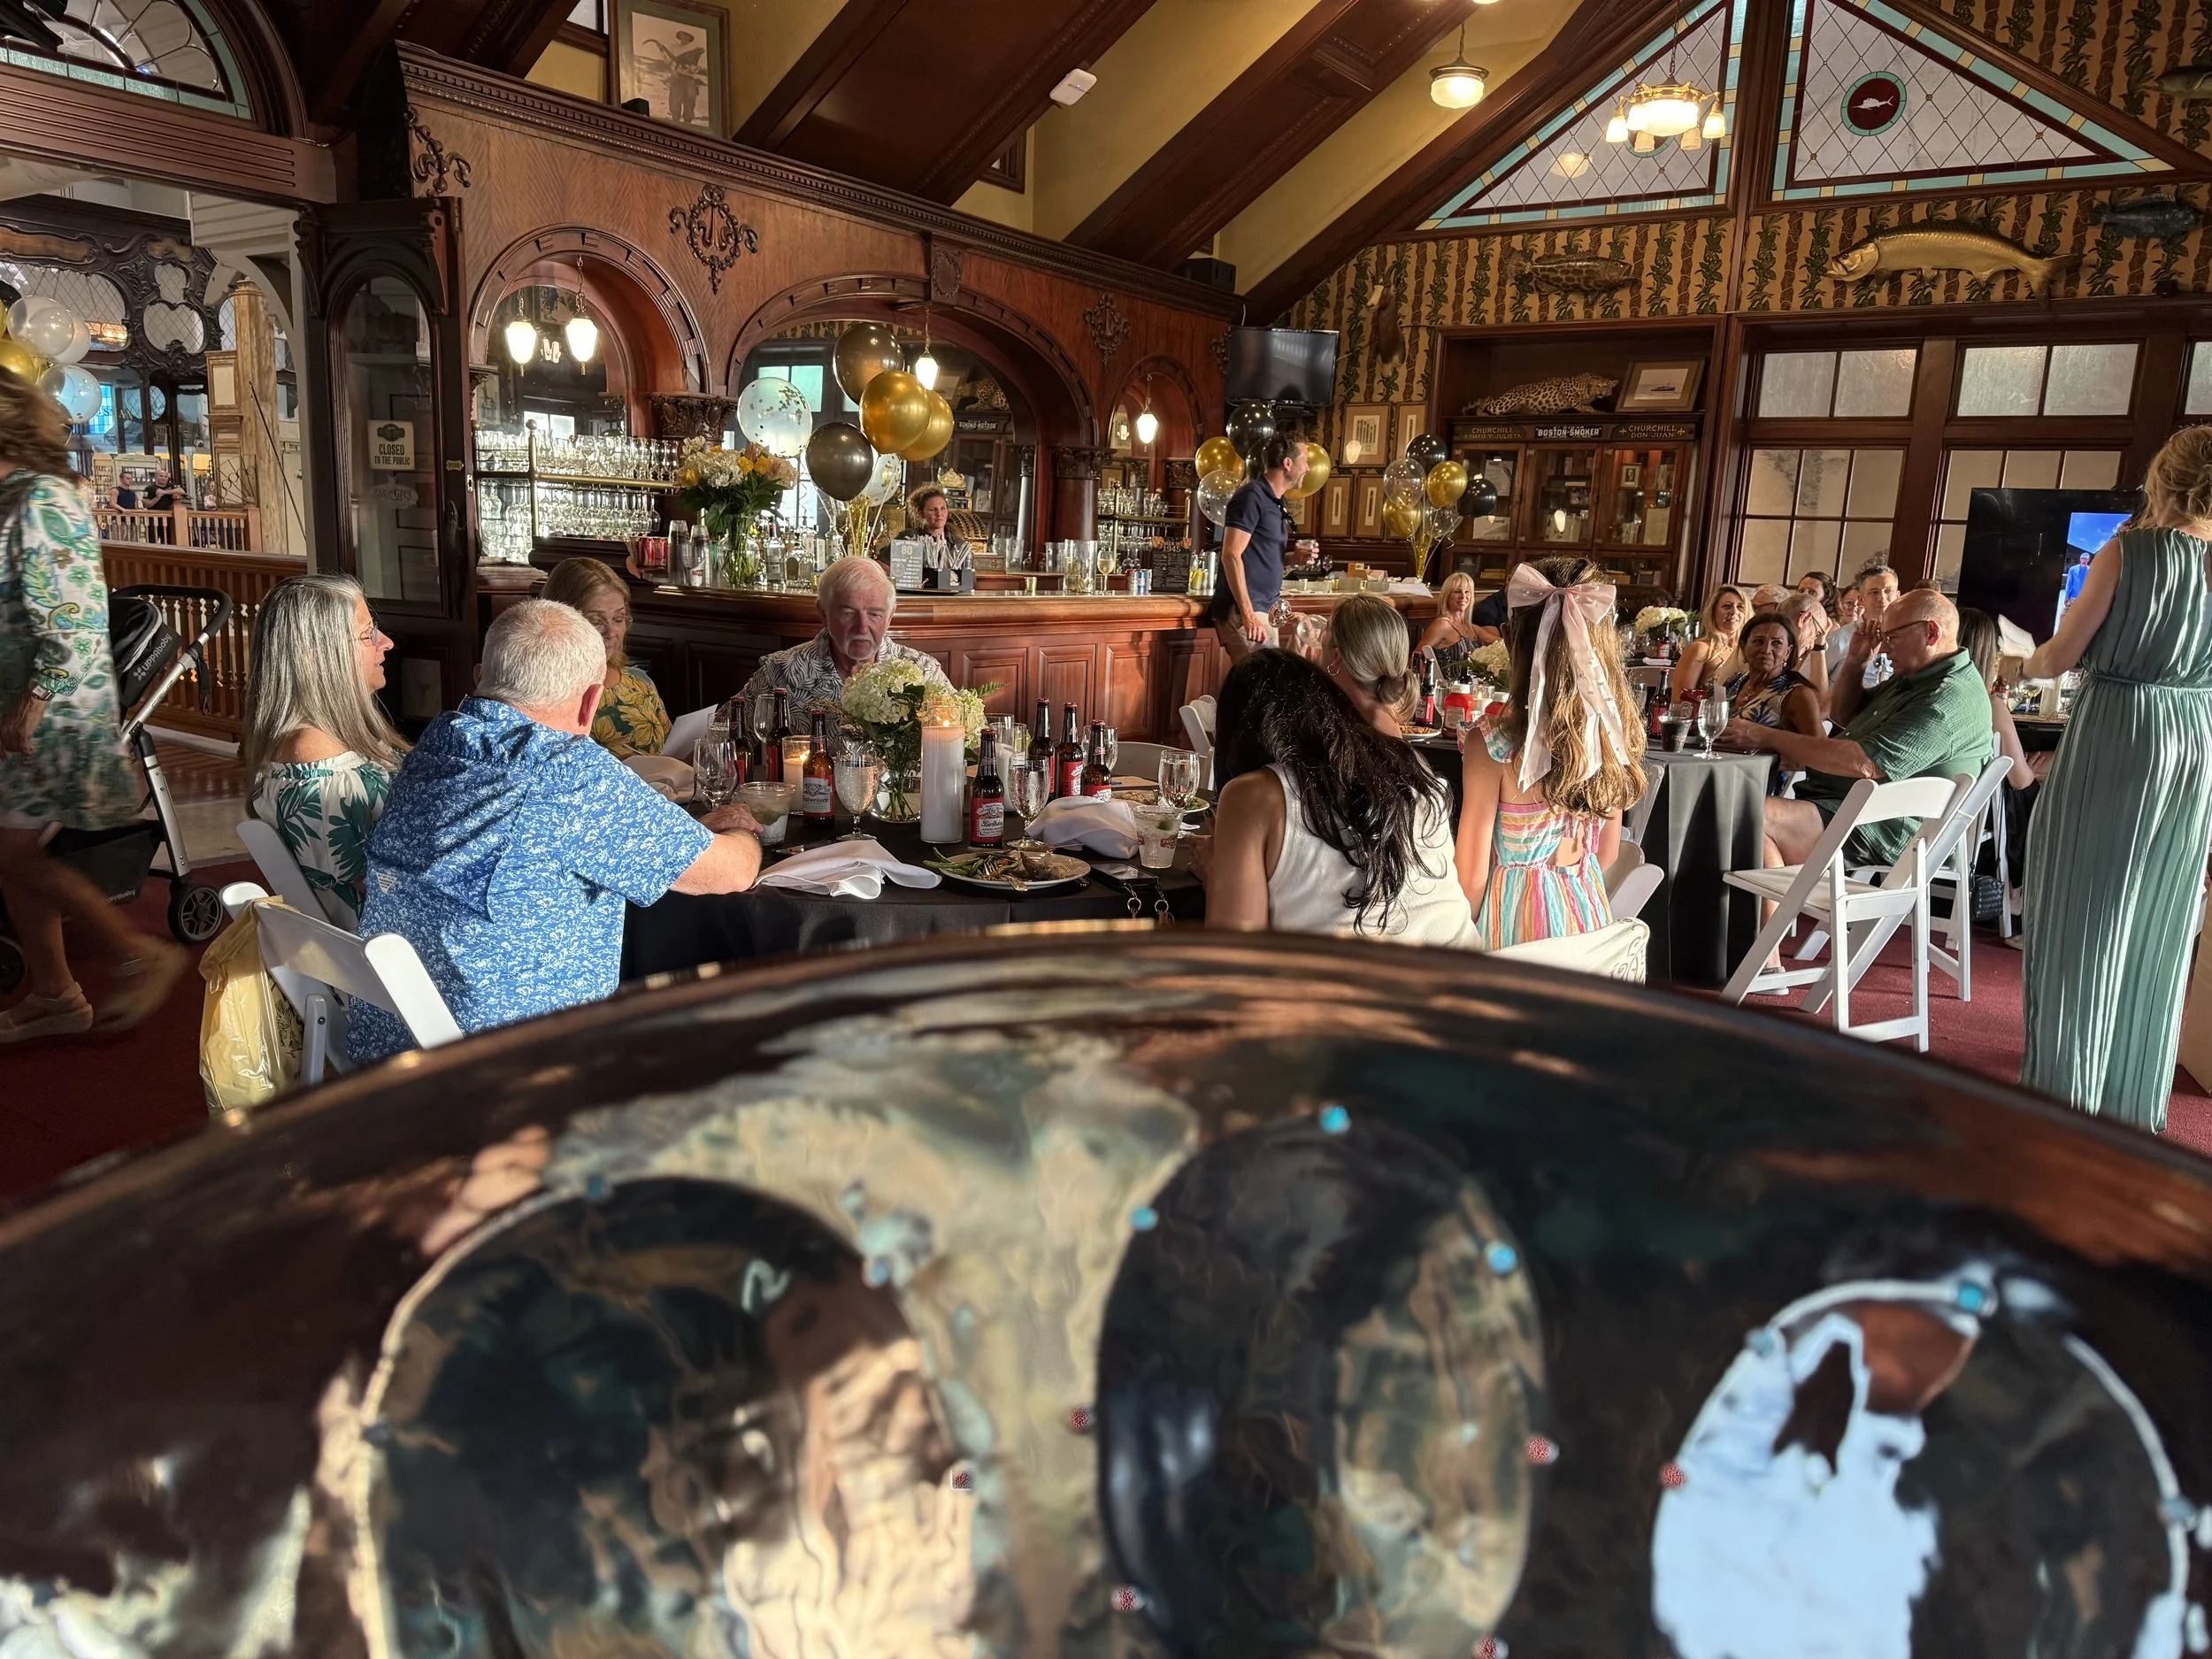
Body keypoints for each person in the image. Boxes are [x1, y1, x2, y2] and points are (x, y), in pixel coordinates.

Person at [349, 601, 764, 1063]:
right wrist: (743, 827)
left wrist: (681, 832)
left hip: (388, 1058)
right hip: (515, 1073)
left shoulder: (440, 743)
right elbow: (731, 873)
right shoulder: (566, 774)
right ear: (590, 702)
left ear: (481, 677)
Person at [2020, 426, 2212, 1132]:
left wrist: (2019, 663)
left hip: (2123, 734)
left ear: (2165, 478)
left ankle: (2064, 1106)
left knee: (2082, 911)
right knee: (2156, 924)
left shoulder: (2128, 551)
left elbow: (2060, 656)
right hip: (2195, 743)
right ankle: (2133, 1105)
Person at [0, 373, 183, 1041]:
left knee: (16, 856)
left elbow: (71, 619)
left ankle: (139, 954)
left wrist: (33, 703)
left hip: (51, 716)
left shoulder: (42, 498)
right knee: (9, 854)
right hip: (25, 710)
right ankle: (54, 993)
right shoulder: (14, 496)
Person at [1203, 649, 1472, 946]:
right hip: (1473, 977)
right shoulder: (1407, 760)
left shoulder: (1251, 795)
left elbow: (1233, 960)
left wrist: (1216, 873)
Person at [1728, 589, 1992, 872]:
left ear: (1930, 633)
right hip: (1849, 810)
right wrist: (1856, 661)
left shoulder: (1946, 698)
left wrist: (1763, 735)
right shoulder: (1919, 676)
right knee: (1743, 814)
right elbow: (1844, 715)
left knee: (1747, 815)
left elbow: (1864, 762)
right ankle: (1770, 915)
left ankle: (1768, 917)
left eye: (1892, 638)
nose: (1886, 648)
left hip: (1886, 831)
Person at [1455, 557, 1643, 949]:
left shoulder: (1492, 745)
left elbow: (1470, 878)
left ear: (1508, 638)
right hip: (1585, 927)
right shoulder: (1608, 734)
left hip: (1511, 936)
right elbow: (1606, 853)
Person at [241, 573, 407, 931]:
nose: (386, 643)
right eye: (367, 635)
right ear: (318, 653)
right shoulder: (314, 751)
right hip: (382, 958)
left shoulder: (322, 742)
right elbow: (357, 892)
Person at [738, 555, 951, 724]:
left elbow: (961, 744)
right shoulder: (780, 672)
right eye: (848, 613)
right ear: (823, 612)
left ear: (890, 615)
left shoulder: (924, 673)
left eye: (875, 614)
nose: (862, 627)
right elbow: (723, 736)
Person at [541, 557, 669, 760]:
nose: (611, 632)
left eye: (618, 619)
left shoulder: (640, 683)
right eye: (596, 621)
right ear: (561, 622)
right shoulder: (544, 693)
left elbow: (669, 750)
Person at [1207, 434, 1308, 663]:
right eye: (1306, 460)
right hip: (1246, 611)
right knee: (1263, 688)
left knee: (1269, 687)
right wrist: (1248, 614)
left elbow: (1260, 556)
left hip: (1267, 609)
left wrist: (1294, 559)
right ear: (1287, 463)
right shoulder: (1251, 496)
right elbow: (1231, 555)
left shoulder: (1277, 501)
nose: (1309, 468)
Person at [1323, 594, 1417, 737]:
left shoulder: (1377, 729)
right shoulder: (1360, 711)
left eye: (1326, 629)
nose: (1319, 636)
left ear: (1337, 657)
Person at [1826, 560, 1901, 703]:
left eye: (1888, 591)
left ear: (1898, 596)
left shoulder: (1904, 642)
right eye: (1874, 592)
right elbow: (1807, 683)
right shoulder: (1839, 640)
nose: (1882, 598)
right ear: (1861, 600)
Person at [1674, 585, 1749, 690]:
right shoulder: (1700, 649)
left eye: (1740, 607)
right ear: (1713, 612)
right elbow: (1679, 698)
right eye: (1727, 606)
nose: (1734, 612)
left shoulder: (1748, 651)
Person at [1417, 571, 1491, 679]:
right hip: (1446, 691)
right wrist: (1430, 683)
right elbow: (1416, 657)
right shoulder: (1442, 625)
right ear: (1447, 596)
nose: (1463, 596)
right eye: (1457, 592)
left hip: (1472, 690)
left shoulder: (1472, 629)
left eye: (1467, 592)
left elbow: (1501, 644)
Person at [910, 487, 972, 591]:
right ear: (921, 514)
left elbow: (970, 580)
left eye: (943, 508)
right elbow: (883, 566)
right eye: (932, 510)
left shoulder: (958, 543)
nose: (939, 514)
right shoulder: (911, 538)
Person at [1778, 590, 1832, 702]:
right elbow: (1819, 706)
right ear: (1804, 619)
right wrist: (1819, 647)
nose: (1812, 644)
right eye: (1817, 634)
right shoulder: (1775, 651)